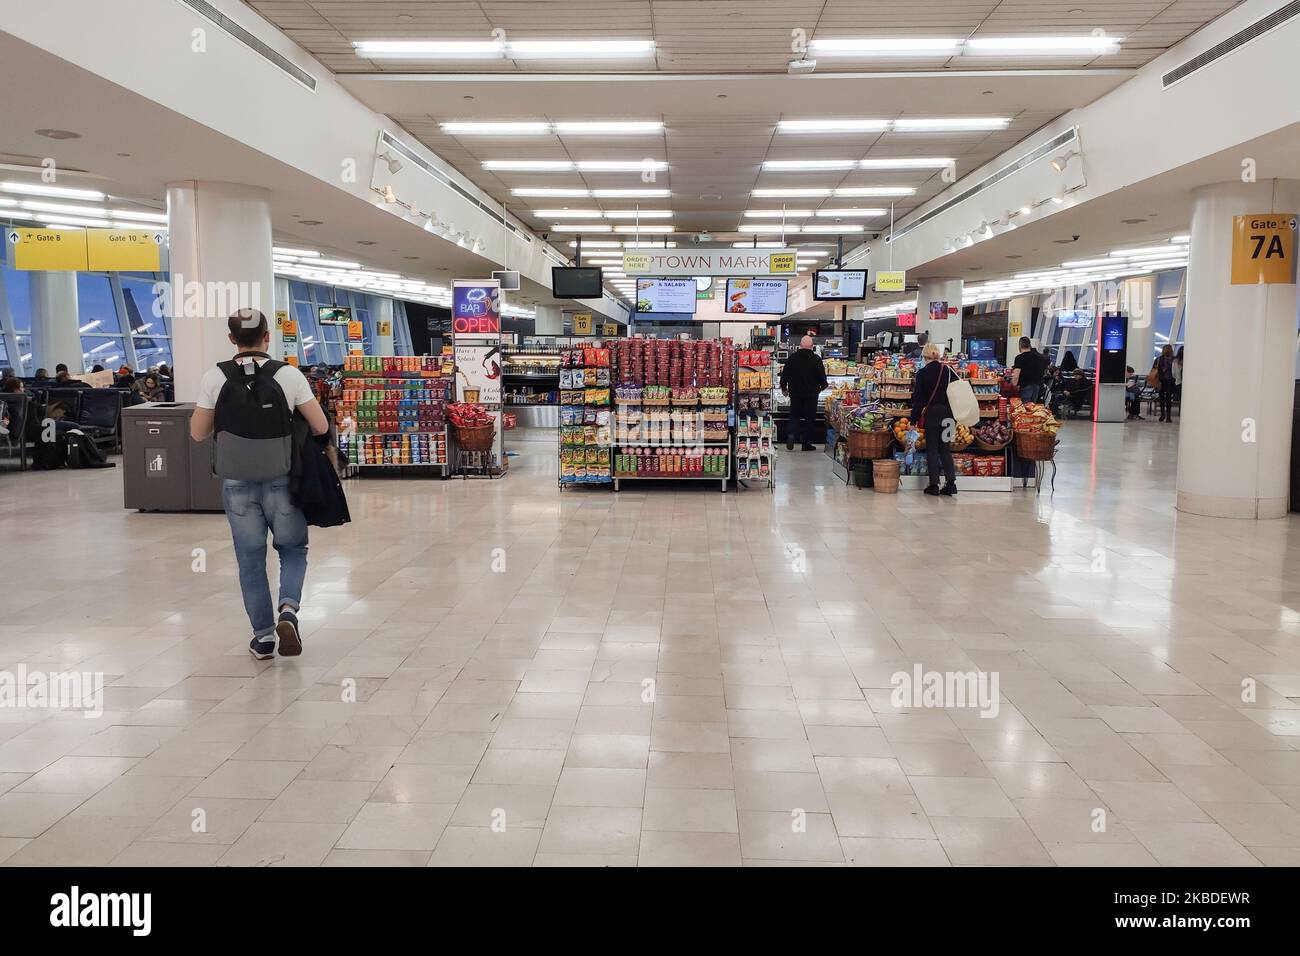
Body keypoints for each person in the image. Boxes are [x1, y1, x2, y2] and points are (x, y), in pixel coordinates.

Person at [190, 309, 329, 660]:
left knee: (250, 560)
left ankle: (264, 638)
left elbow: (197, 432)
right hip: (282, 478)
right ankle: (288, 610)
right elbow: (321, 426)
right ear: (268, 336)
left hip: (236, 483)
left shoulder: (214, 377)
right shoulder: (288, 375)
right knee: (293, 550)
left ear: (231, 338)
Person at [911, 342, 959, 497]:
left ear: (924, 356)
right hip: (950, 415)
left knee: (932, 449)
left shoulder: (922, 373)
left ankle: (934, 485)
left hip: (933, 416)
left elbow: (919, 400)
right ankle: (951, 484)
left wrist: (913, 420)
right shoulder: (949, 370)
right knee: (945, 449)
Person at [779, 335, 828, 451]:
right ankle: (806, 444)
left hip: (795, 393)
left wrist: (784, 388)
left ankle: (791, 435)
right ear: (812, 347)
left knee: (794, 415)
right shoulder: (816, 359)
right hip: (811, 394)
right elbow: (822, 377)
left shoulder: (792, 358)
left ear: (800, 345)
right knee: (809, 418)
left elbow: (784, 375)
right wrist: (822, 387)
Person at [1011, 337, 1046, 403]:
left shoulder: (1019, 358)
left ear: (1020, 345)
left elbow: (1016, 376)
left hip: (1025, 386)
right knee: (1032, 409)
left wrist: (1014, 386)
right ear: (1029, 345)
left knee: (1025, 409)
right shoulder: (1038, 357)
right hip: (1036, 386)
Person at [1156, 344, 1177, 422]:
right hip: (1171, 381)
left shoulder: (1160, 359)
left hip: (1161, 381)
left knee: (1161, 398)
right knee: (1168, 399)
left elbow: (1156, 369)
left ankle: (1162, 415)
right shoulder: (1174, 359)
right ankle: (1168, 416)